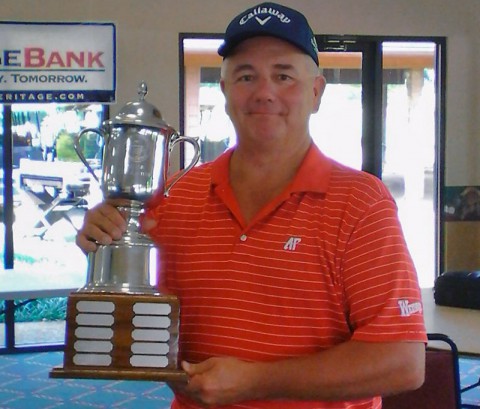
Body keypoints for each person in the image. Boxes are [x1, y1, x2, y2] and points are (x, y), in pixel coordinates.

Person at [76, 2, 427, 408]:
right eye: (246, 76)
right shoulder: (173, 198)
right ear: (224, 92)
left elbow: (402, 361)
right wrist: (106, 238)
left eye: (283, 75)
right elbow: (137, 322)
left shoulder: (361, 204)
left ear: (316, 92)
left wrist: (259, 381)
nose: (264, 92)